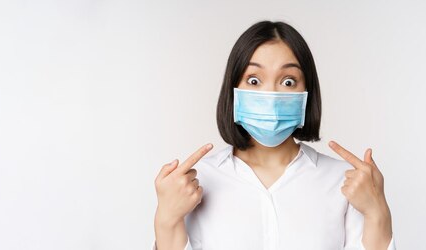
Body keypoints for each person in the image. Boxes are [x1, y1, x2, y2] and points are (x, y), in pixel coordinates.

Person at [153, 20, 395, 250]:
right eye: (254, 80)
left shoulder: (345, 183)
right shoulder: (195, 183)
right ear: (233, 90)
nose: (270, 95)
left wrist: (378, 213)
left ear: (307, 92)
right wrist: (166, 221)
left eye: (288, 82)